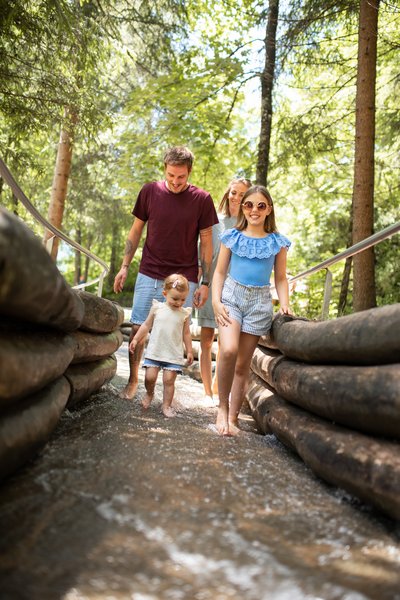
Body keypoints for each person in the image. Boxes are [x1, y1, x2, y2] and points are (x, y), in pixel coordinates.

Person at [114, 146, 218, 400]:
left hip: (184, 276)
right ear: (165, 169)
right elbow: (136, 230)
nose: (175, 181)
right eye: (171, 175)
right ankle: (133, 379)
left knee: (173, 330)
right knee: (139, 325)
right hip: (150, 269)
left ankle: (164, 390)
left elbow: (207, 242)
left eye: (181, 176)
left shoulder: (202, 199)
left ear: (189, 172)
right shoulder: (150, 192)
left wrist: (205, 281)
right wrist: (125, 266)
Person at [212, 185, 293, 436]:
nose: (254, 210)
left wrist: (285, 303)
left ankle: (234, 417)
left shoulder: (277, 243)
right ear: (243, 208)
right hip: (232, 297)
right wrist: (216, 301)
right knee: (228, 349)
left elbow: (280, 278)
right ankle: (222, 409)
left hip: (259, 303)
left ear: (269, 209)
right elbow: (220, 272)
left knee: (243, 365)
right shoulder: (232, 237)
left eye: (260, 205)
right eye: (249, 205)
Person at [197, 177, 252, 405]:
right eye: (234, 193)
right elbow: (203, 254)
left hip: (233, 291)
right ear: (227, 193)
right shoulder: (215, 222)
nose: (236, 198)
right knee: (206, 340)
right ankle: (207, 392)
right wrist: (202, 282)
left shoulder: (248, 225)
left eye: (242, 195)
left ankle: (220, 390)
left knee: (225, 344)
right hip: (210, 286)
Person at [129, 274, 193, 417]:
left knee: (169, 380)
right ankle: (149, 393)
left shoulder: (184, 314)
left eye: (183, 299)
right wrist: (136, 339)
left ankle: (166, 405)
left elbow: (186, 333)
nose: (178, 303)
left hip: (173, 353)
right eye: (175, 298)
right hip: (155, 351)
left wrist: (189, 350)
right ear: (165, 294)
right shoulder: (157, 308)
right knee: (150, 377)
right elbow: (146, 326)